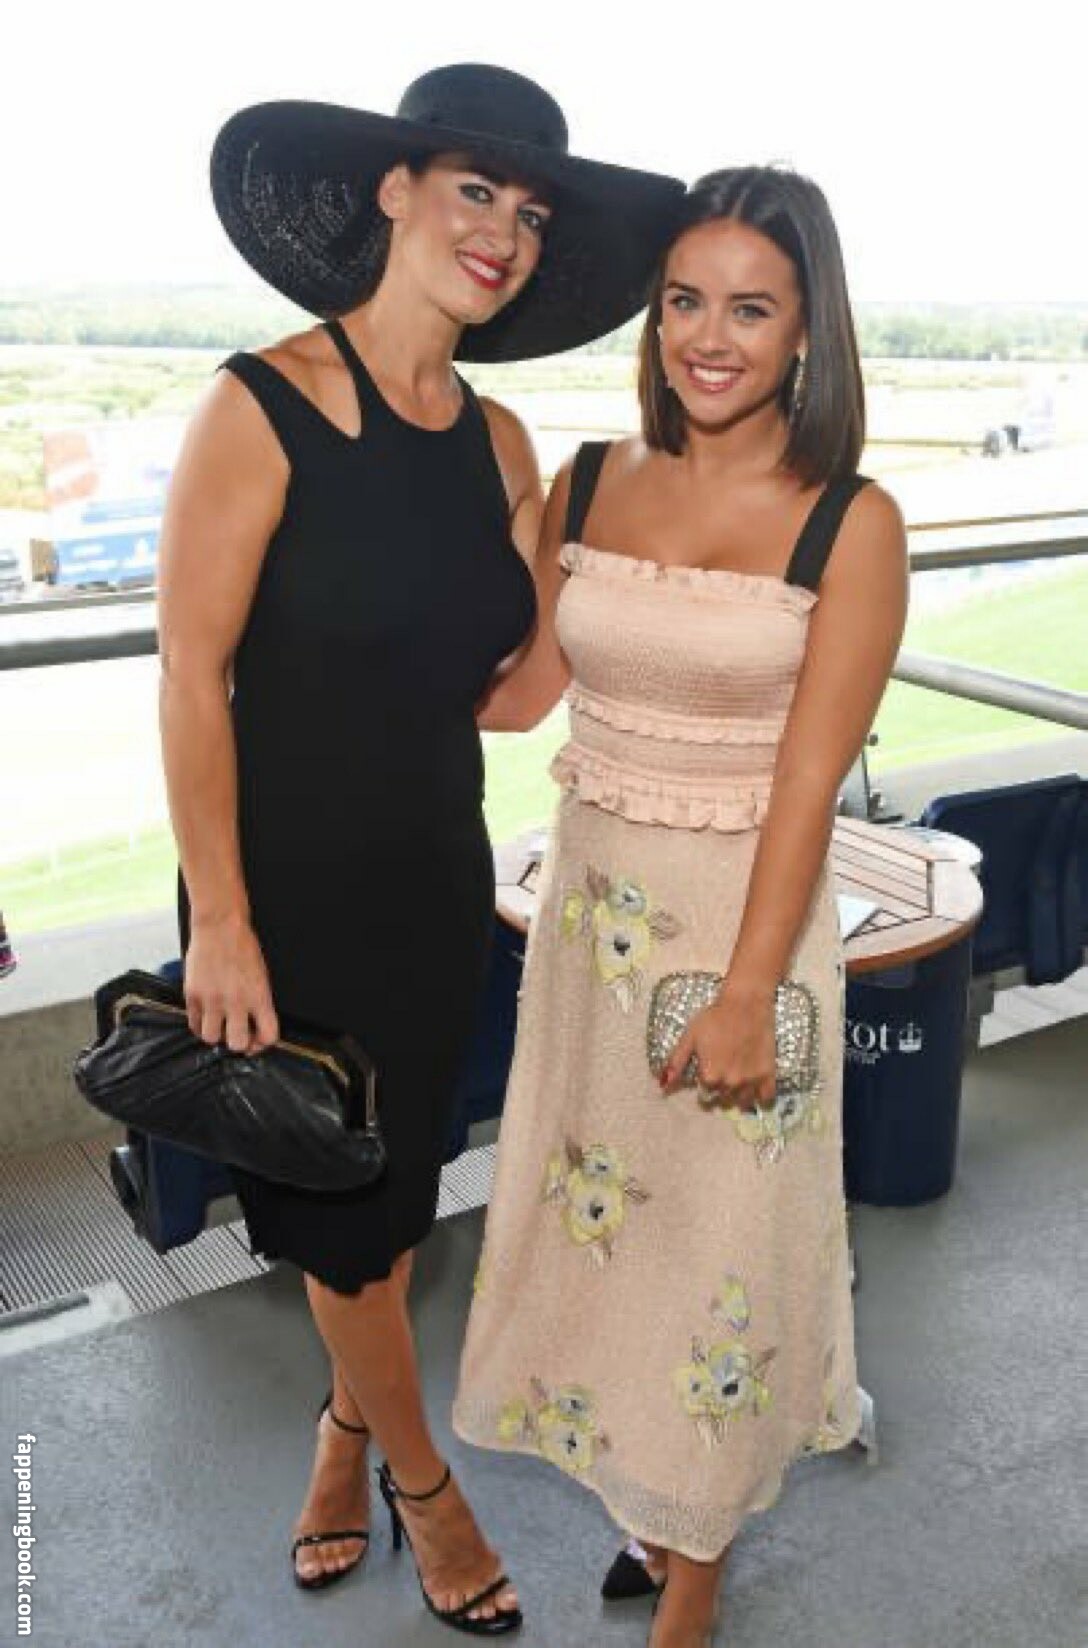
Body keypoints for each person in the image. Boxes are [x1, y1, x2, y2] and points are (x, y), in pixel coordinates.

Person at [156, 61, 681, 1636]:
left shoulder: (504, 442)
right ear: (393, 192)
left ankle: (340, 1434)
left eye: (532, 214)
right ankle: (424, 1487)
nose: (505, 231)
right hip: (284, 895)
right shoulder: (258, 405)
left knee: (382, 1213)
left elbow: (506, 700)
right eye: (476, 191)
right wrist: (221, 922)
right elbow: (189, 676)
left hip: (434, 886)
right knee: (346, 1230)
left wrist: (594, 555)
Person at [453, 165, 908, 1647]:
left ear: (808, 329)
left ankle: (694, 1577)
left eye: (751, 310)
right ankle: (647, 1509)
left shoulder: (853, 522)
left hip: (743, 940)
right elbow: (519, 695)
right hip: (594, 936)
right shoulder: (590, 479)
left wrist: (748, 994)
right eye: (683, 302)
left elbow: (810, 786)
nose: (709, 338)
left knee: (721, 1248)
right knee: (615, 1239)